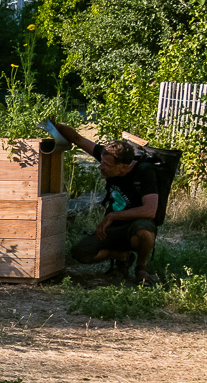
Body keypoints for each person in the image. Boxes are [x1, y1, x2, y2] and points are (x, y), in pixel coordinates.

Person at [51, 121, 160, 285]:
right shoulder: (108, 156)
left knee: (144, 230)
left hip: (135, 227)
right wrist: (54, 125)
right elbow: (78, 139)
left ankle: (141, 267)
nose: (100, 167)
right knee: (81, 252)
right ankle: (122, 256)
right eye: (101, 162)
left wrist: (113, 216)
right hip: (113, 228)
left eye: (106, 165)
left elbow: (151, 210)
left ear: (123, 166)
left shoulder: (144, 171)